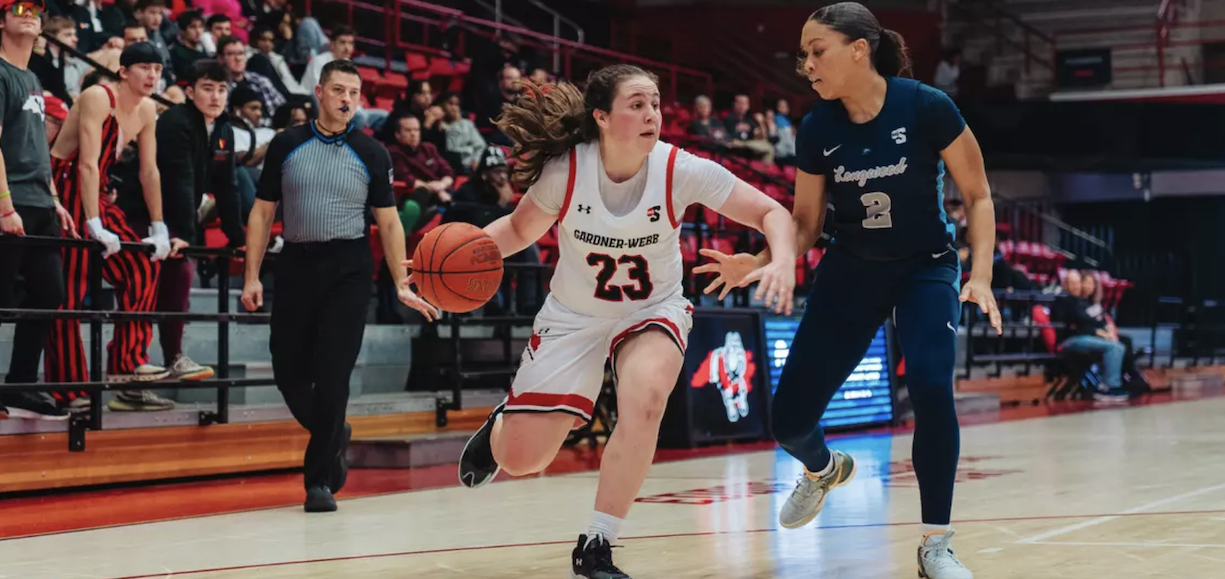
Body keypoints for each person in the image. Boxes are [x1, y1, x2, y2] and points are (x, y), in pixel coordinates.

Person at [443, 64, 797, 579]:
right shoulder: (567, 170)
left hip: (651, 309)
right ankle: (502, 423)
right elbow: (518, 230)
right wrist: (453, 259)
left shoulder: (680, 168)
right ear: (602, 118)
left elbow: (773, 213)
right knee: (523, 459)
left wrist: (779, 259)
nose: (652, 113)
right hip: (573, 315)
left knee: (647, 397)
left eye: (654, 103)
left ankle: (597, 542)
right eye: (637, 104)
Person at [696, 4, 1001, 578]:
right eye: (803, 54)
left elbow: (979, 195)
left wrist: (979, 274)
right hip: (852, 269)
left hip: (925, 268)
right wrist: (759, 259)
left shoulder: (927, 106)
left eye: (818, 50)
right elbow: (807, 224)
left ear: (859, 48)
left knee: (934, 388)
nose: (806, 63)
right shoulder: (817, 128)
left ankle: (936, 544)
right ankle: (823, 469)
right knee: (788, 422)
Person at [240, 59, 437, 514]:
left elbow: (388, 224)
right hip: (295, 264)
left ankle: (319, 481)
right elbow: (262, 213)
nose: (348, 99)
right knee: (288, 371)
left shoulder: (372, 152)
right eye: (339, 90)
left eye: (355, 92)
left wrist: (400, 283)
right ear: (320, 92)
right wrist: (251, 276)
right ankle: (334, 432)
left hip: (348, 269)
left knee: (332, 375)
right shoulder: (286, 144)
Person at [45, 42, 181, 412]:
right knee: (69, 293)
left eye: (157, 68)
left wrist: (158, 225)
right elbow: (84, 164)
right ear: (124, 71)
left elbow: (149, 171)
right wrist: (91, 221)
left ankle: (128, 365)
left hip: (97, 191)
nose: (153, 75)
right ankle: (69, 390)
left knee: (141, 265)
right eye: (144, 68)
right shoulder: (97, 96)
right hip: (65, 184)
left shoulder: (149, 109)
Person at [128, 58, 245, 382]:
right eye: (208, 89)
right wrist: (185, 236)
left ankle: (170, 358)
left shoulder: (223, 128)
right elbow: (180, 182)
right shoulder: (176, 123)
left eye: (222, 89)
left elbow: (227, 186)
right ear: (189, 91)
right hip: (142, 215)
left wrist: (238, 239)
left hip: (175, 222)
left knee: (178, 276)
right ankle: (135, 366)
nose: (216, 97)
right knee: (157, 282)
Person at [0, 0, 76, 420]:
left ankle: (21, 384)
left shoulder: (30, 76)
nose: (30, 13)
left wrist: (55, 198)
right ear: (1, 20)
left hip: (39, 203)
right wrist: (4, 206)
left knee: (50, 294)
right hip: (10, 204)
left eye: (36, 8)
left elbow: (36, 148)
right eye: (18, 7)